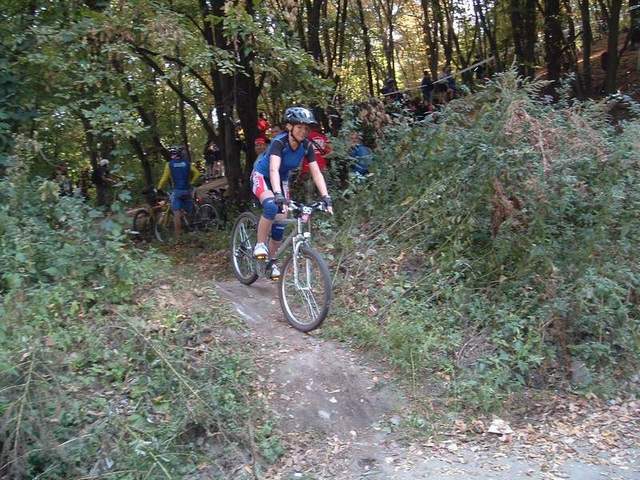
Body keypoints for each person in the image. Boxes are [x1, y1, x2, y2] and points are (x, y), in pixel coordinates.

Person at [250, 107, 333, 280]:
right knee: (271, 206)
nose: (303, 131)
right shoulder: (279, 142)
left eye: (306, 128)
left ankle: (271, 261)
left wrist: (326, 197)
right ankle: (260, 244)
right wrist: (277, 194)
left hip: (282, 179)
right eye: (299, 127)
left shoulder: (306, 146)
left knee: (281, 222)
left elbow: (316, 173)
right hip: (263, 176)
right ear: (289, 126)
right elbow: (273, 169)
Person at [157, 145, 201, 238]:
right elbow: (197, 173)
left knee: (176, 212)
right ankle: (191, 229)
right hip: (187, 190)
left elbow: (164, 178)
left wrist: (159, 188)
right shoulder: (187, 163)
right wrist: (192, 182)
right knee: (188, 210)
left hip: (177, 191)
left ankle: (178, 237)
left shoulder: (169, 164)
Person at [300, 122, 331, 201]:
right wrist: (323, 156)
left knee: (308, 193)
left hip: (307, 167)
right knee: (322, 192)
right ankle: (323, 206)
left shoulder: (304, 138)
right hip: (321, 166)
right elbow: (331, 151)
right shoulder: (323, 138)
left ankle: (309, 206)